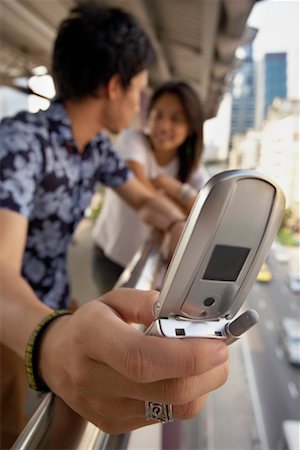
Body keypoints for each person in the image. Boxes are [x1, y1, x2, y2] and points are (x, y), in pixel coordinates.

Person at [0, 3, 228, 447]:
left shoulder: (96, 151)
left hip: (55, 296)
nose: (141, 107)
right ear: (113, 86)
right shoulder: (20, 143)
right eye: (140, 92)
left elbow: (144, 202)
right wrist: (53, 340)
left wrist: (178, 226)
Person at [92, 80, 208, 294]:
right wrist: (180, 208)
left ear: (191, 127)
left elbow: (206, 216)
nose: (164, 125)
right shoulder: (131, 140)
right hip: (111, 257)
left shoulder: (194, 171)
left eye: (176, 119)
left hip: (154, 267)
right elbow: (140, 191)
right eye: (158, 115)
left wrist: (167, 184)